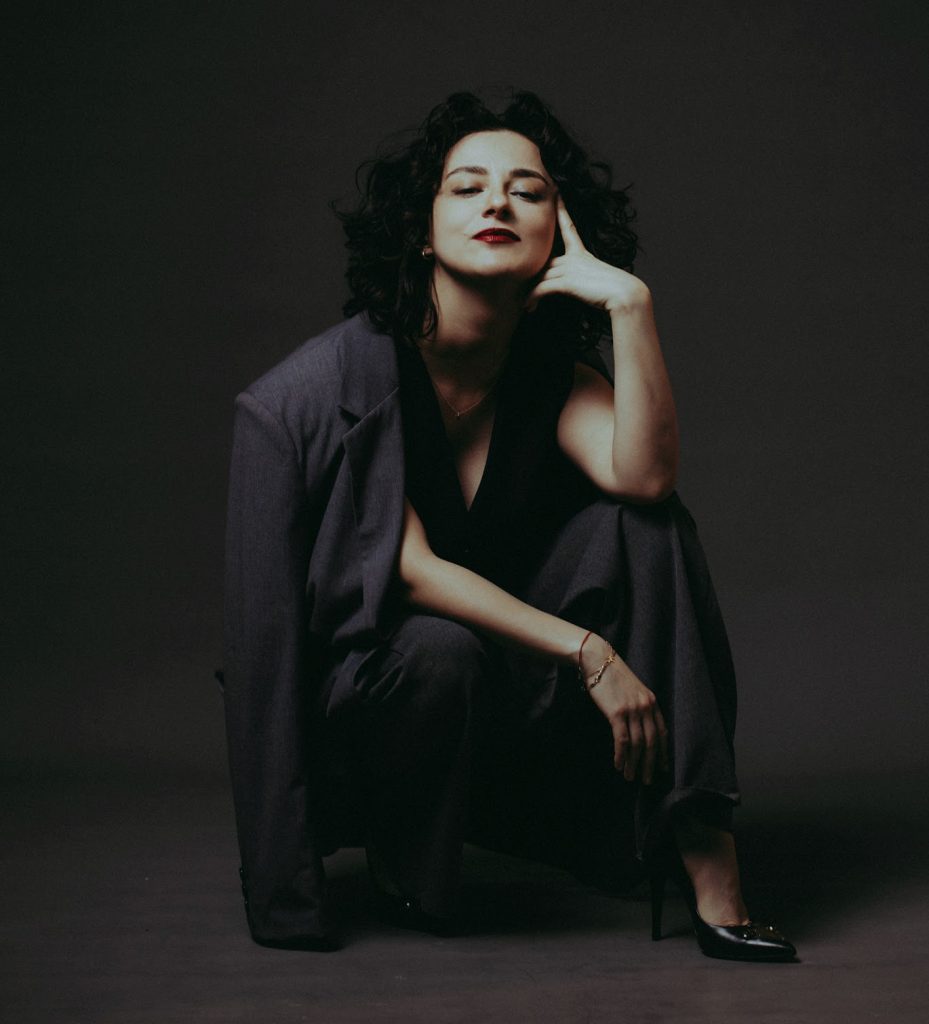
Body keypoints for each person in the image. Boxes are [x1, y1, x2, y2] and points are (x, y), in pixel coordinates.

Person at [222, 90, 796, 961]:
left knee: (648, 528)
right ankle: (404, 854)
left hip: (506, 717)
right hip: (374, 718)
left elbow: (645, 478)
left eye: (527, 191)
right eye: (466, 187)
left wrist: (630, 308)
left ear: (558, 231)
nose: (497, 202)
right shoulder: (334, 384)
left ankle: (705, 851)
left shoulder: (549, 375)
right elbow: (407, 568)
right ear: (420, 230)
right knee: (436, 647)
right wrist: (589, 651)